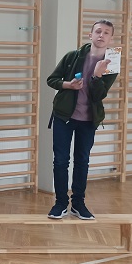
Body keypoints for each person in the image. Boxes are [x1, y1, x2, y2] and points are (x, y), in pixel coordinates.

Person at [46, 19, 118, 220]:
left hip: (88, 120)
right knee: (61, 161)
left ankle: (78, 204)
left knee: (82, 161)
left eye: (106, 33)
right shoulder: (73, 56)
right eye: (98, 31)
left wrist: (96, 77)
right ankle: (60, 203)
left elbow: (99, 95)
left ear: (111, 39)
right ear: (90, 35)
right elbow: (52, 80)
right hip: (64, 116)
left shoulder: (112, 62)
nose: (101, 35)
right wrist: (69, 85)